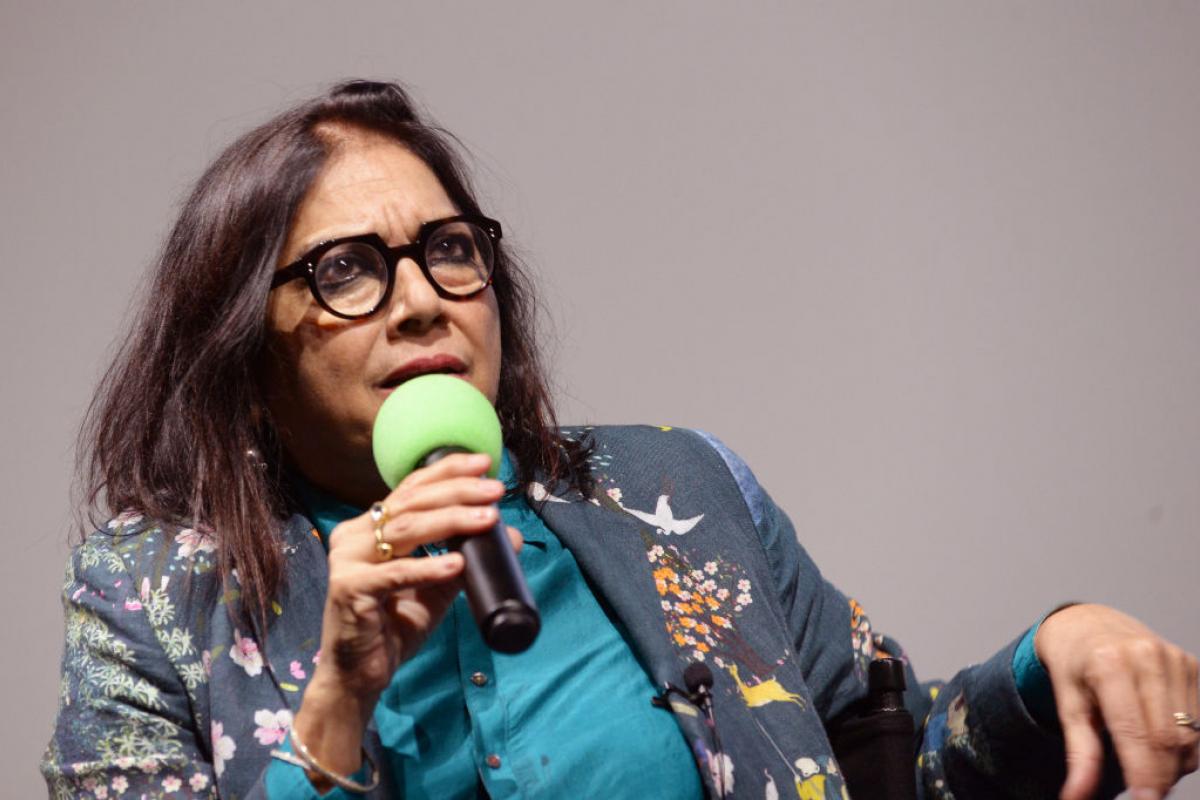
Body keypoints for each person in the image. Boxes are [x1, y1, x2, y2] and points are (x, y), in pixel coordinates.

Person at [43, 80, 1197, 800]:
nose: (421, 299)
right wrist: (340, 693)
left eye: (449, 248)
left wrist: (1054, 660)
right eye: (344, 270)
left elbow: (897, 752)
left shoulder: (675, 490)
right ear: (247, 364)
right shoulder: (149, 599)